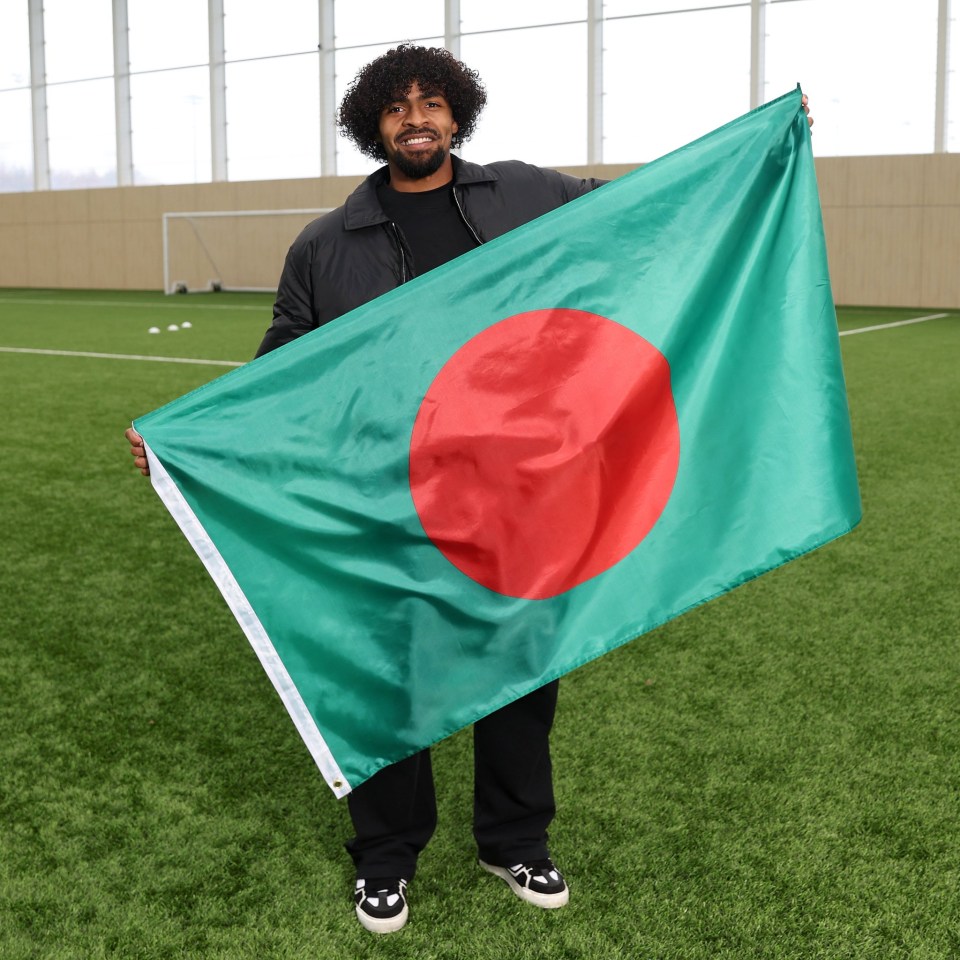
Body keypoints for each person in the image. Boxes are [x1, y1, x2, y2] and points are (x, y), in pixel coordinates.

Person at [126, 44, 813, 935]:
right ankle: (385, 856)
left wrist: (753, 159)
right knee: (389, 677)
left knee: (524, 670)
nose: (417, 118)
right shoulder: (327, 246)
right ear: (371, 123)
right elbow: (284, 366)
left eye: (433, 102)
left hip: (523, 486)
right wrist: (190, 438)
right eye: (397, 106)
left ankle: (514, 839)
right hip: (389, 493)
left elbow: (644, 220)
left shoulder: (527, 193)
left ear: (459, 115)